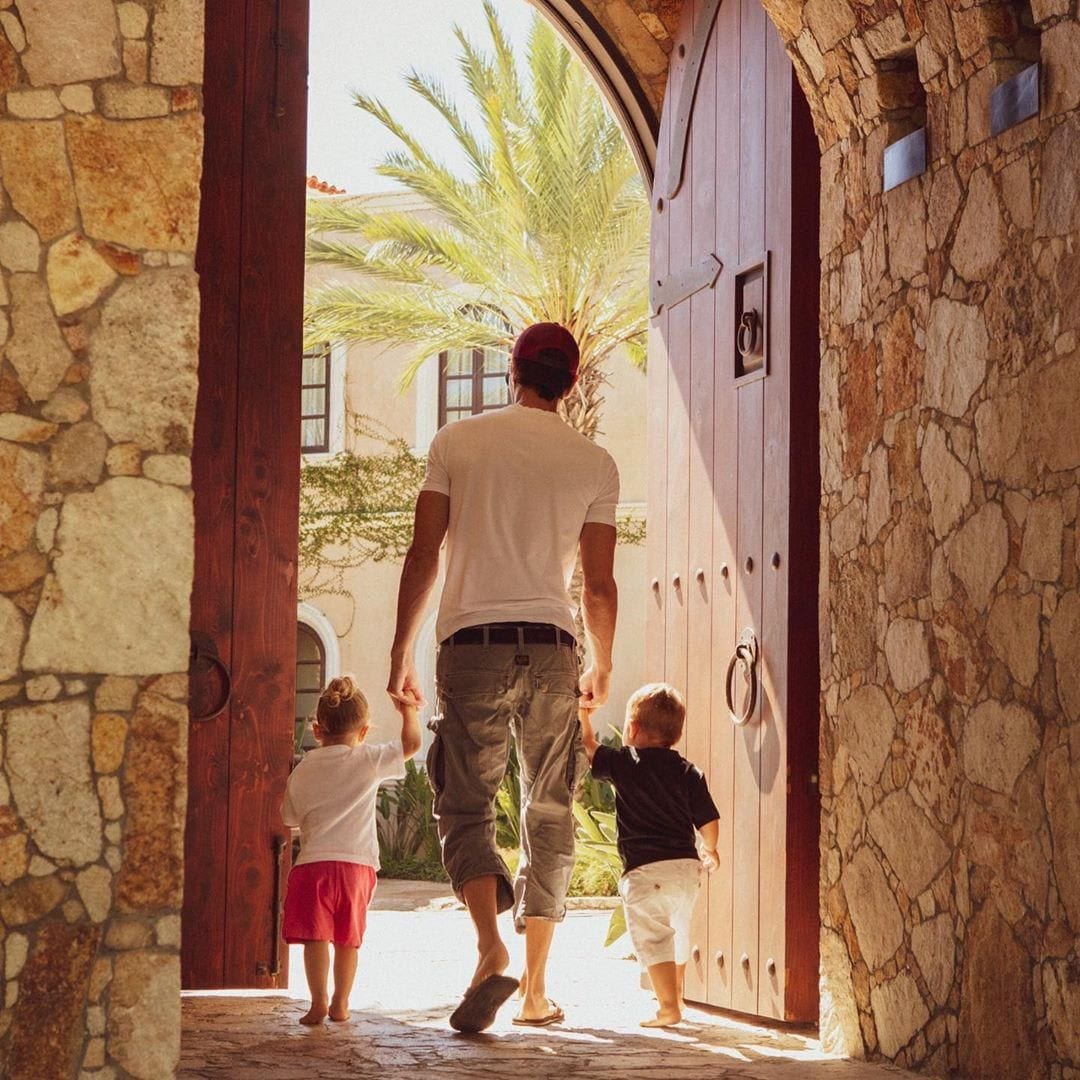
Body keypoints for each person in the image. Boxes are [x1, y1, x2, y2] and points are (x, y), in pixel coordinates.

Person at [387, 322, 619, 1032]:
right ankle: (537, 991)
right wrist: (601, 661)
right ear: (571, 382)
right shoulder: (594, 462)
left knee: (465, 803)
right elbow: (600, 586)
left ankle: (490, 947)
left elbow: (424, 554)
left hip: (470, 644)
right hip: (552, 647)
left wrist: (400, 652)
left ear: (510, 371)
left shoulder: (457, 442)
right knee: (549, 810)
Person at [281, 676, 422, 1025]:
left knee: (316, 938)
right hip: (356, 868)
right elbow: (412, 744)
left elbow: (290, 818)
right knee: (348, 939)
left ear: (317, 730)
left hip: (313, 867)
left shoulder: (302, 769)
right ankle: (341, 1004)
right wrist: (408, 712)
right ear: (363, 731)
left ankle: (317, 1003)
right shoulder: (368, 760)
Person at [579, 683, 720, 1028]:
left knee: (655, 937)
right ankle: (678, 996)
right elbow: (709, 818)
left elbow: (589, 747)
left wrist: (583, 715)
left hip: (645, 869)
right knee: (679, 930)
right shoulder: (688, 770)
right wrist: (711, 849)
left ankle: (667, 1007)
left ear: (632, 729)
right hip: (686, 869)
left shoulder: (625, 762)